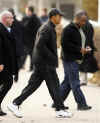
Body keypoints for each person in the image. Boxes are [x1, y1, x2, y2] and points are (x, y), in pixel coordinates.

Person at [8, 8, 73, 118]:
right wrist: (51, 56)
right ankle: (59, 109)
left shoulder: (49, 27)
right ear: (53, 17)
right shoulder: (47, 28)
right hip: (45, 64)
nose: (61, 18)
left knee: (34, 86)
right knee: (54, 85)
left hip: (42, 63)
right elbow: (39, 45)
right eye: (59, 16)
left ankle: (15, 103)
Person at [53, 11, 92, 111]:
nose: (84, 23)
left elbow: (78, 42)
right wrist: (79, 49)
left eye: (85, 21)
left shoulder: (79, 28)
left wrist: (85, 48)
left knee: (67, 82)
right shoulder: (68, 29)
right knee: (75, 82)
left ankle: (57, 102)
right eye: (83, 21)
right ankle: (81, 104)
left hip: (75, 58)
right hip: (69, 59)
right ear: (77, 19)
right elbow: (64, 44)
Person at [0, 10, 18, 116]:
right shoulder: (0, 29)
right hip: (3, 64)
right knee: (8, 82)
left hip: (7, 63)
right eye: (11, 18)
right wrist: (0, 62)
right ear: (4, 19)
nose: (13, 20)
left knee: (6, 82)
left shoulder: (7, 29)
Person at [79, 11, 99, 86]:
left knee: (83, 64)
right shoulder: (89, 25)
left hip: (84, 47)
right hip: (88, 46)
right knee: (86, 64)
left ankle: (83, 80)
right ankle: (84, 79)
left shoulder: (83, 25)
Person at [21, 6, 41, 71]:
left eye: (27, 10)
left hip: (32, 40)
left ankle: (31, 67)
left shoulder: (34, 19)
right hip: (27, 40)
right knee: (27, 54)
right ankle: (25, 66)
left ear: (30, 11)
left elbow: (37, 29)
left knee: (31, 54)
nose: (26, 12)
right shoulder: (26, 18)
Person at [8, 8, 24, 82]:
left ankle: (12, 75)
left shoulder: (8, 23)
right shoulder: (19, 22)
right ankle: (15, 76)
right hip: (16, 45)